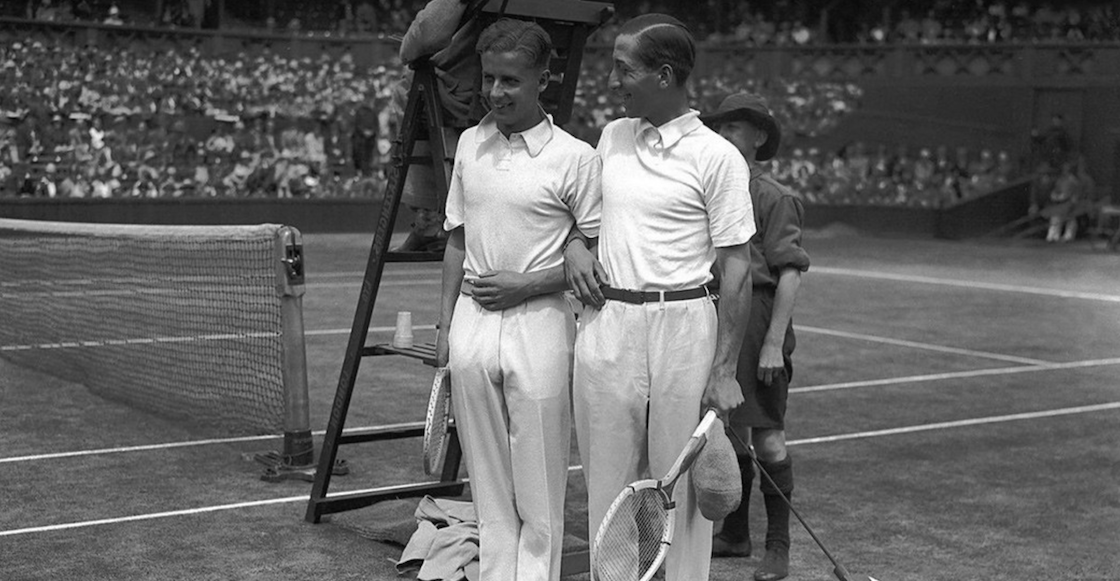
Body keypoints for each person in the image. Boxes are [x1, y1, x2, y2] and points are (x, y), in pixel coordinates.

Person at [563, 14, 755, 581]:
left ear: (664, 75)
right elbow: (584, 219)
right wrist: (575, 246)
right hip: (608, 322)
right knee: (608, 486)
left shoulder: (718, 156)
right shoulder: (613, 136)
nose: (613, 80)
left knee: (684, 490)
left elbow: (737, 268)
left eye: (624, 69)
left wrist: (724, 370)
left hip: (684, 326)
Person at [435, 18, 601, 581]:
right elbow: (456, 241)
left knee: (539, 483)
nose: (496, 92)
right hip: (471, 323)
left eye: (510, 80)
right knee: (487, 481)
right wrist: (444, 328)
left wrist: (525, 285)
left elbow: (594, 257)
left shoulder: (577, 157)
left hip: (541, 324)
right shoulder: (468, 144)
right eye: (488, 78)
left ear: (542, 81)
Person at [700, 93, 811, 581]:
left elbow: (789, 273)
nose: (722, 134)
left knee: (767, 439)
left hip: (760, 318)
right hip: (720, 313)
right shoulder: (713, 187)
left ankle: (778, 547)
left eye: (734, 126)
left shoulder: (773, 196)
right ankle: (736, 533)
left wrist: (772, 342)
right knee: (731, 434)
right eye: (719, 126)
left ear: (759, 136)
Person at [391, 0, 489, 253]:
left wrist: (407, 47)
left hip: (471, 99)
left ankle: (429, 219)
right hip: (528, 95)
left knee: (409, 91)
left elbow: (424, 37)